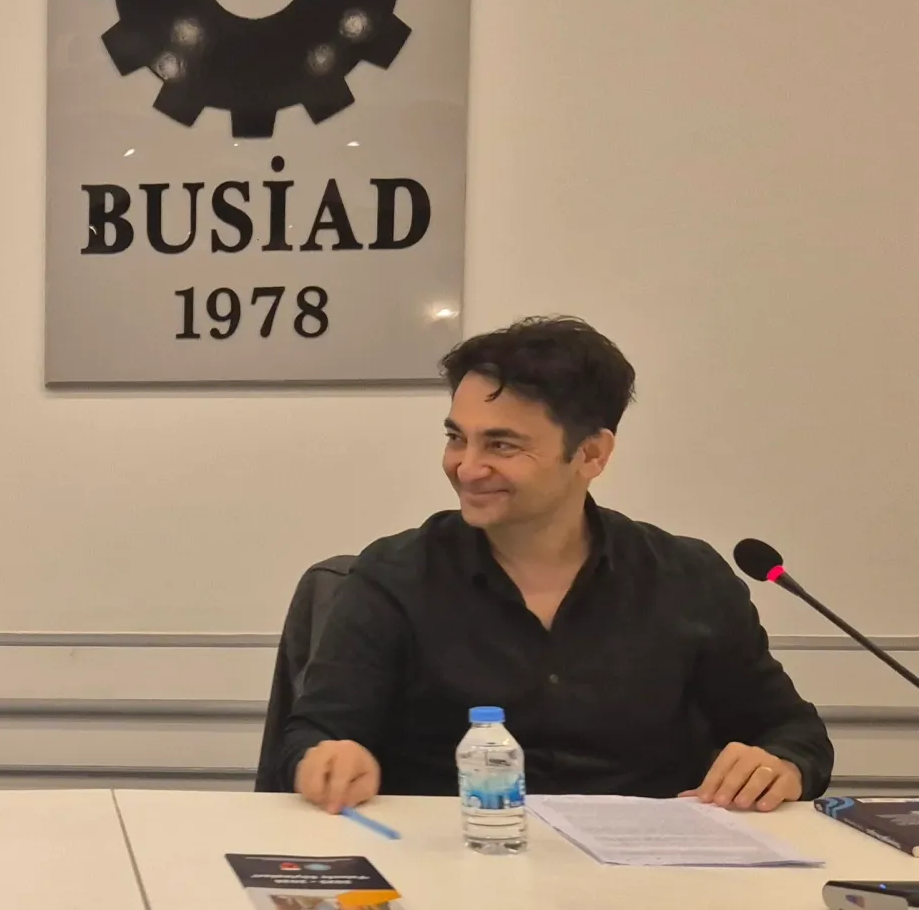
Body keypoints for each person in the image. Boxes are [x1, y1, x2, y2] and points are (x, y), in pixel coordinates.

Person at [280, 316, 832, 815]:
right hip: (449, 861)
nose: (467, 468)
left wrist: (779, 764)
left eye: (501, 445)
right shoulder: (394, 575)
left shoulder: (687, 579)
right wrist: (327, 757)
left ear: (591, 454)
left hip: (646, 871)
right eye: (456, 438)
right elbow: (312, 734)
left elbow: (794, 733)